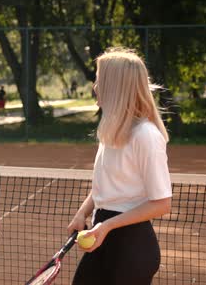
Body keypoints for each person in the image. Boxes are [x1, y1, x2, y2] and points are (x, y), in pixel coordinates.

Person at [67, 48, 172, 285]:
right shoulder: (112, 133)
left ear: (116, 87)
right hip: (104, 233)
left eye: (100, 80)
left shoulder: (145, 135)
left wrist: (107, 226)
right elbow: (105, 186)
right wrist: (82, 213)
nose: (95, 86)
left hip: (131, 246)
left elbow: (162, 203)